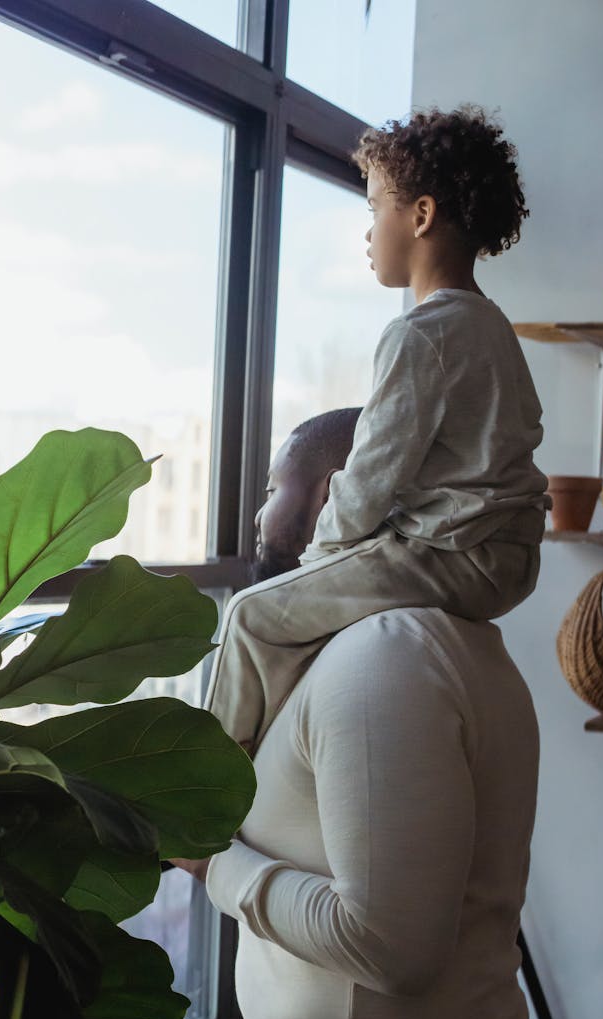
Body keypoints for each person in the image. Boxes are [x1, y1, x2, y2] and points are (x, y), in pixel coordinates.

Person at [173, 409, 540, 1019]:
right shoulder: (428, 642)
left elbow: (391, 948)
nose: (257, 512)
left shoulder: (382, 658)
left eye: (274, 486)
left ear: (331, 494)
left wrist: (212, 865)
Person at [206, 106, 550, 753]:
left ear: (420, 216)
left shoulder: (419, 333)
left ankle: (193, 823)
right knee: (293, 610)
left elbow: (368, 479)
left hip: (453, 554)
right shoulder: (494, 328)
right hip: (509, 558)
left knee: (252, 612)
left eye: (374, 209)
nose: (368, 232)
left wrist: (311, 566)